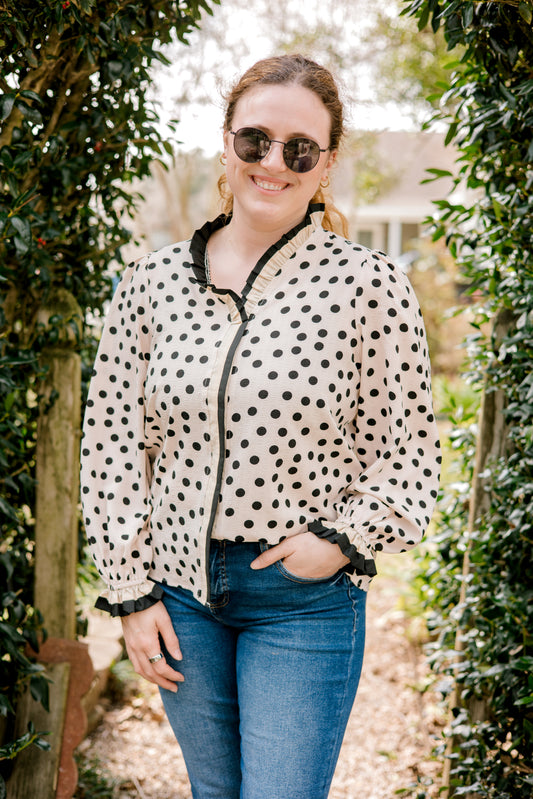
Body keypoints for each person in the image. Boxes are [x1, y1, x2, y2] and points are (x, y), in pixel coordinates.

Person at [80, 54, 441, 799]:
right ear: (225, 142)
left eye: (298, 148)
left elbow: (409, 457)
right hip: (180, 598)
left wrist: (337, 541)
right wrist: (132, 593)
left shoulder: (369, 287)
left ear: (326, 163)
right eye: (255, 140)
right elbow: (111, 447)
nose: (273, 162)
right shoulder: (150, 285)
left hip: (302, 600)